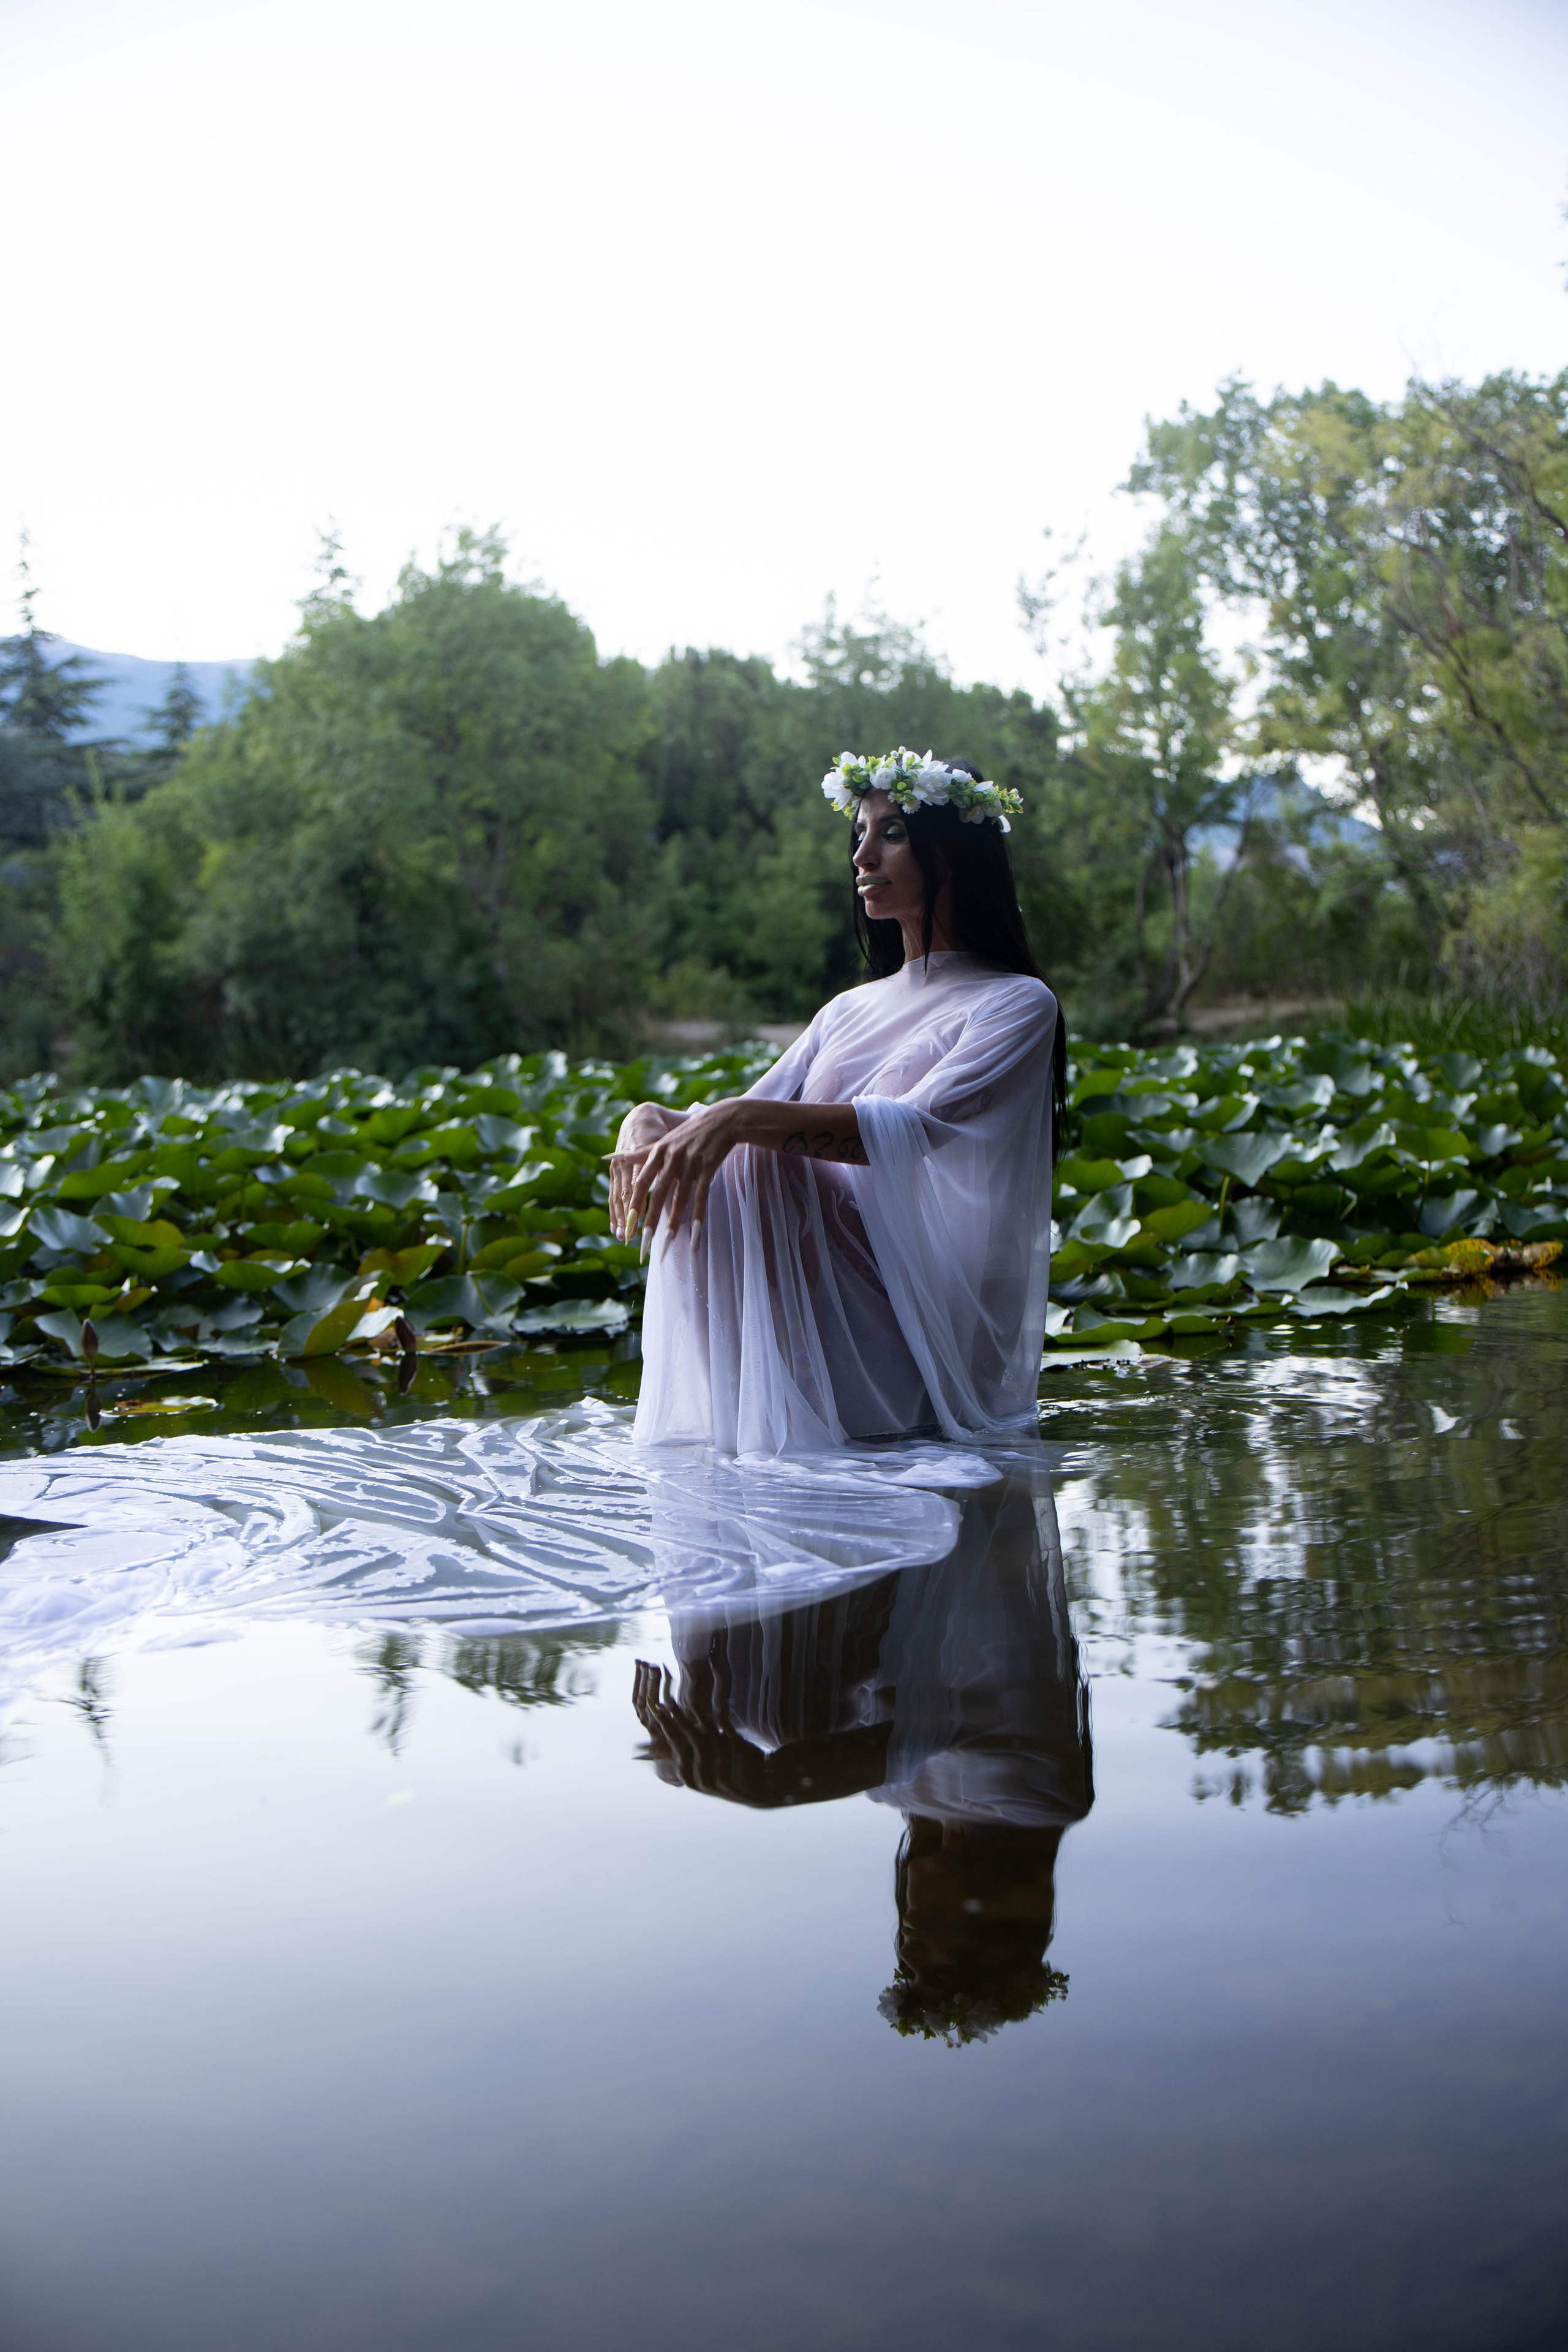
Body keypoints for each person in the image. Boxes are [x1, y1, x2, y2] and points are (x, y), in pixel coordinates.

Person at [611, 750, 1066, 1455]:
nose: (861, 854)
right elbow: (735, 1118)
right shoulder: (846, 1010)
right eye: (860, 833)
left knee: (759, 1152)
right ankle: (760, 1405)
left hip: (909, 1332)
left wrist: (734, 1121)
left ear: (952, 850)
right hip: (817, 1309)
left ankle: (799, 1409)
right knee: (734, 1151)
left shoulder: (1014, 1003)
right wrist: (649, 1120)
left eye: (890, 832)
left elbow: (909, 1129)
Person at [633, 1461, 1094, 2043]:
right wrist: (772, 1787)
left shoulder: (918, 1805)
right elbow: (931, 1730)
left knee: (770, 1717)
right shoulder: (1042, 1797)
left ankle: (736, 1507)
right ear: (992, 1924)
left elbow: (887, 1728)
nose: (907, 1927)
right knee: (774, 1718)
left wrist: (710, 1715)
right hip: (942, 1522)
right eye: (928, 1942)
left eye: (906, 1946)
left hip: (884, 1557)